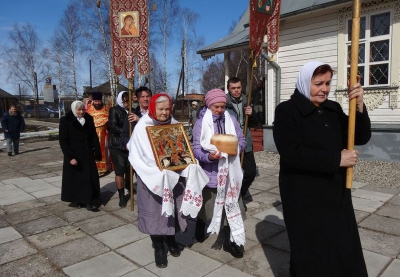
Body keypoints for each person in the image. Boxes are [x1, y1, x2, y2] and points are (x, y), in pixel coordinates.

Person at [273, 61, 371, 276]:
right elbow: (292, 154)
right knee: (312, 252)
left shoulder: (332, 109)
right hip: (303, 195)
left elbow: (360, 137)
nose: (325, 89)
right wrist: (337, 159)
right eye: (318, 83)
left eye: (327, 83)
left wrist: (359, 106)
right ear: (304, 82)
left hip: (335, 193)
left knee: (341, 248)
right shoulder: (286, 112)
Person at [127, 93, 208, 268]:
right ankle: (158, 247)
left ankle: (171, 240)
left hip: (173, 176)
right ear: (153, 109)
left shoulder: (173, 125)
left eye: (166, 109)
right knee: (156, 214)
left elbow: (180, 149)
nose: (164, 113)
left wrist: (188, 162)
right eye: (160, 109)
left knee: (172, 211)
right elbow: (138, 154)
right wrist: (157, 170)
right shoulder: (143, 126)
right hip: (152, 179)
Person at [192, 89, 247, 258]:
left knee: (232, 206)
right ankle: (200, 224)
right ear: (209, 105)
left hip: (230, 172)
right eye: (216, 106)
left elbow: (242, 140)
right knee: (209, 207)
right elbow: (196, 148)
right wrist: (209, 156)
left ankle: (229, 241)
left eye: (223, 106)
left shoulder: (230, 119)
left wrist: (233, 149)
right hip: (211, 172)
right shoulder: (201, 123)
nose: (220, 110)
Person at [59, 101, 102, 211]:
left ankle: (90, 200)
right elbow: (63, 141)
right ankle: (78, 198)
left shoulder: (88, 118)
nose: (81, 112)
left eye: (83, 109)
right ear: (74, 110)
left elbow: (93, 136)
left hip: (87, 154)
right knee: (77, 179)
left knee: (89, 178)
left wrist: (97, 151)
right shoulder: (65, 121)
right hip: (75, 154)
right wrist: (70, 157)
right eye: (79, 110)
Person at [226, 77, 259, 198]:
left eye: (238, 87)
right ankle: (233, 198)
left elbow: (255, 124)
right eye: (233, 88)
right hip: (231, 144)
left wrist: (252, 114)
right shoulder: (224, 103)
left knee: (251, 172)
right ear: (229, 89)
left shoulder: (247, 100)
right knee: (233, 173)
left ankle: (240, 194)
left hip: (246, 143)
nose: (236, 90)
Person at [109, 91, 131, 207]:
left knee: (129, 170)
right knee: (119, 170)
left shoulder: (132, 111)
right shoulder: (114, 110)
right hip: (117, 145)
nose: (127, 103)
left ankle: (129, 186)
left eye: (128, 100)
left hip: (129, 146)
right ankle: (121, 195)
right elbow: (113, 126)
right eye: (125, 100)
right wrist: (127, 133)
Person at [86, 91, 112, 176]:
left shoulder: (106, 109)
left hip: (104, 134)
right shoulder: (88, 109)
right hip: (93, 134)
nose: (97, 103)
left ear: (101, 100)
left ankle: (105, 168)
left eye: (99, 101)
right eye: (96, 101)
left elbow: (109, 120)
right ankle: (95, 168)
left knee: (105, 151)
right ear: (93, 100)